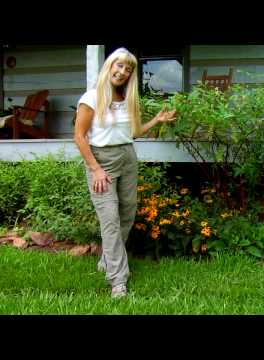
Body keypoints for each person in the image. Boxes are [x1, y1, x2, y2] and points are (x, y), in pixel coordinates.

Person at [74, 48, 176, 298]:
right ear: (110, 66)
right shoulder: (91, 98)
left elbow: (133, 133)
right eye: (119, 66)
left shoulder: (127, 99)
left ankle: (107, 260)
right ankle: (118, 280)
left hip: (128, 157)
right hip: (102, 161)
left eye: (128, 69)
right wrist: (95, 169)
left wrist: (157, 122)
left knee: (127, 214)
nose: (122, 72)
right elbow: (79, 137)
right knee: (110, 220)